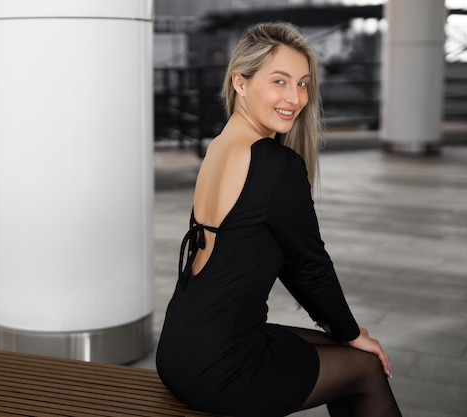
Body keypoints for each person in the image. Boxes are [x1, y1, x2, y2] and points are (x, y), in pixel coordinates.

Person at [155, 22, 402, 417]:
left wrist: (340, 330)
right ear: (240, 82)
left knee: (341, 352)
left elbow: (286, 257)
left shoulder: (220, 147)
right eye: (280, 81)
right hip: (222, 370)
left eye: (303, 83)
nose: (296, 97)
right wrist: (354, 335)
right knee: (366, 368)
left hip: (179, 349)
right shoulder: (274, 163)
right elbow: (311, 264)